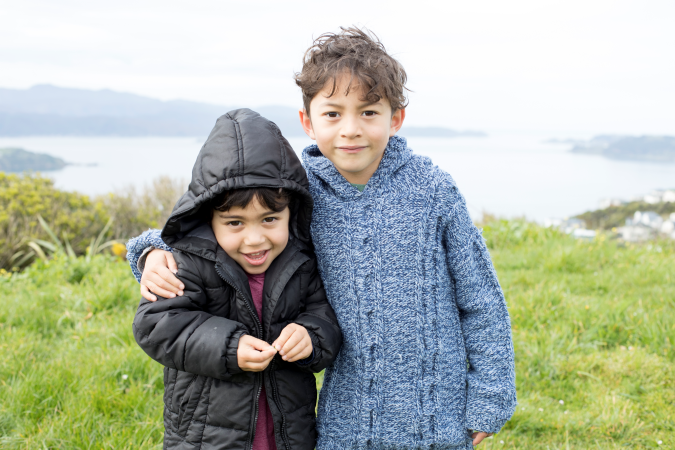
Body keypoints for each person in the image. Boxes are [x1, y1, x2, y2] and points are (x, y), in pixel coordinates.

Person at [129, 27, 516, 449]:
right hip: (344, 418)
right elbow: (216, 220)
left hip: (437, 413)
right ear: (308, 122)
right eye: (333, 114)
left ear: (396, 117)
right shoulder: (297, 191)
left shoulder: (434, 191)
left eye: (369, 112)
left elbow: (481, 299)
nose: (350, 129)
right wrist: (151, 250)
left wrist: (489, 396)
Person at [130, 109, 342, 450]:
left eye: (270, 219)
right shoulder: (187, 262)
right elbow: (156, 324)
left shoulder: (302, 263)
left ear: (292, 212)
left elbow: (326, 318)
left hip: (288, 434)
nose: (255, 239)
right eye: (235, 223)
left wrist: (310, 337)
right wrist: (230, 346)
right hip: (206, 437)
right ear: (208, 217)